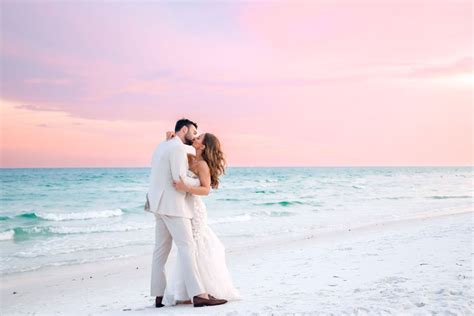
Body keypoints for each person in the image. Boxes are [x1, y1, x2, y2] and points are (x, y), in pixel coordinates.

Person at [145, 118, 227, 308]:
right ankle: (199, 294)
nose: (194, 136)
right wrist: (198, 184)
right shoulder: (177, 149)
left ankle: (159, 295)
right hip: (173, 206)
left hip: (157, 204)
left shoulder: (162, 146)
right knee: (187, 247)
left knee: (160, 251)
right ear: (184, 130)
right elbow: (179, 179)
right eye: (193, 132)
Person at [161, 132, 241, 306]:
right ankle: (191, 290)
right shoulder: (190, 158)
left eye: (198, 138)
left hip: (196, 209)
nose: (195, 139)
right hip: (185, 207)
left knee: (195, 245)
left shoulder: (203, 164)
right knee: (189, 247)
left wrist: (185, 187)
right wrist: (171, 140)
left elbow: (206, 190)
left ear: (203, 146)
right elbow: (176, 153)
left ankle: (201, 289)